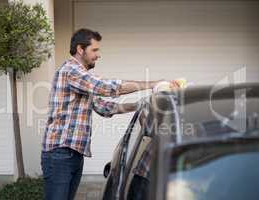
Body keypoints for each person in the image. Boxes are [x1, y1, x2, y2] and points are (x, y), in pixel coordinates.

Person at [41, 28, 167, 200]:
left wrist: (139, 105)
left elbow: (104, 107)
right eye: (94, 50)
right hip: (60, 154)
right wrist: (153, 84)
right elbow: (107, 87)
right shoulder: (71, 71)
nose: (98, 55)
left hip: (72, 154)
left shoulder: (81, 78)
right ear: (80, 49)